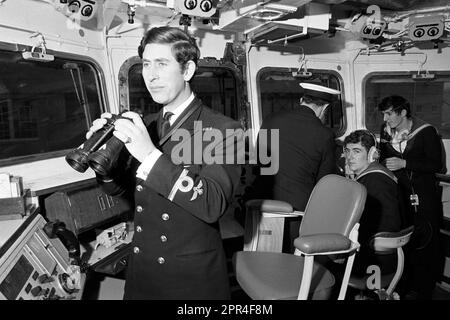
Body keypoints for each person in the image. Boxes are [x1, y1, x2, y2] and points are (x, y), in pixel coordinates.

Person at [87, 26, 244, 299]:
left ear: (188, 70)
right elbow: (127, 193)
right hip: (142, 270)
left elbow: (212, 204)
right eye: (146, 64)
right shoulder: (146, 125)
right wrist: (103, 165)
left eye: (162, 63)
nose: (151, 75)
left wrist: (149, 155)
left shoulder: (224, 130)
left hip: (189, 278)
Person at [249, 83, 339, 253]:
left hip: (265, 203)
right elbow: (324, 181)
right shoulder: (324, 134)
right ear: (324, 108)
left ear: (301, 100)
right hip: (298, 209)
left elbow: (260, 164)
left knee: (266, 256)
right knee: (293, 260)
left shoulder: (271, 120)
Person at [378, 95, 444, 299]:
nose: (385, 118)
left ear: (403, 112)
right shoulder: (385, 132)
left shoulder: (426, 132)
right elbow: (383, 157)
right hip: (400, 195)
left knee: (426, 242)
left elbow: (437, 165)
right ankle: (403, 284)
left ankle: (424, 288)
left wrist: (405, 164)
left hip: (424, 196)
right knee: (404, 241)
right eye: (383, 114)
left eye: (389, 113)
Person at [343, 130, 402, 276]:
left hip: (375, 259)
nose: (350, 157)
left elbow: (385, 225)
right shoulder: (373, 175)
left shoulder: (376, 180)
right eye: (347, 151)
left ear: (372, 154)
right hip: (377, 252)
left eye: (356, 151)